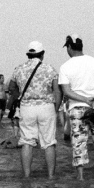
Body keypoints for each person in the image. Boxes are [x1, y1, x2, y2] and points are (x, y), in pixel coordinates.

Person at [58, 35, 94, 180]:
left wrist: (85, 100)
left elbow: (67, 91)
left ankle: (81, 176)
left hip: (77, 108)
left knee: (79, 143)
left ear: (69, 47)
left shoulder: (65, 66)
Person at [10, 41, 60, 178]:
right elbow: (56, 91)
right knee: (49, 142)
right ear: (42, 54)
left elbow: (11, 88)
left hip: (27, 108)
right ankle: (51, 176)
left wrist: (20, 97)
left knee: (26, 142)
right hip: (46, 107)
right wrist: (55, 109)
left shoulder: (19, 69)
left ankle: (27, 176)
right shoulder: (50, 69)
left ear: (28, 54)